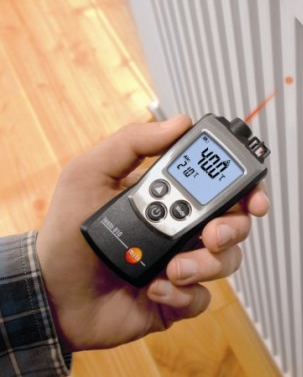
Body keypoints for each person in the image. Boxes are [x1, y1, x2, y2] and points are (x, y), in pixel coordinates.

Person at [0, 115, 270, 376]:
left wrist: (53, 299)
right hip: (123, 222)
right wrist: (50, 293)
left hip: (154, 243)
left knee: (211, 238)